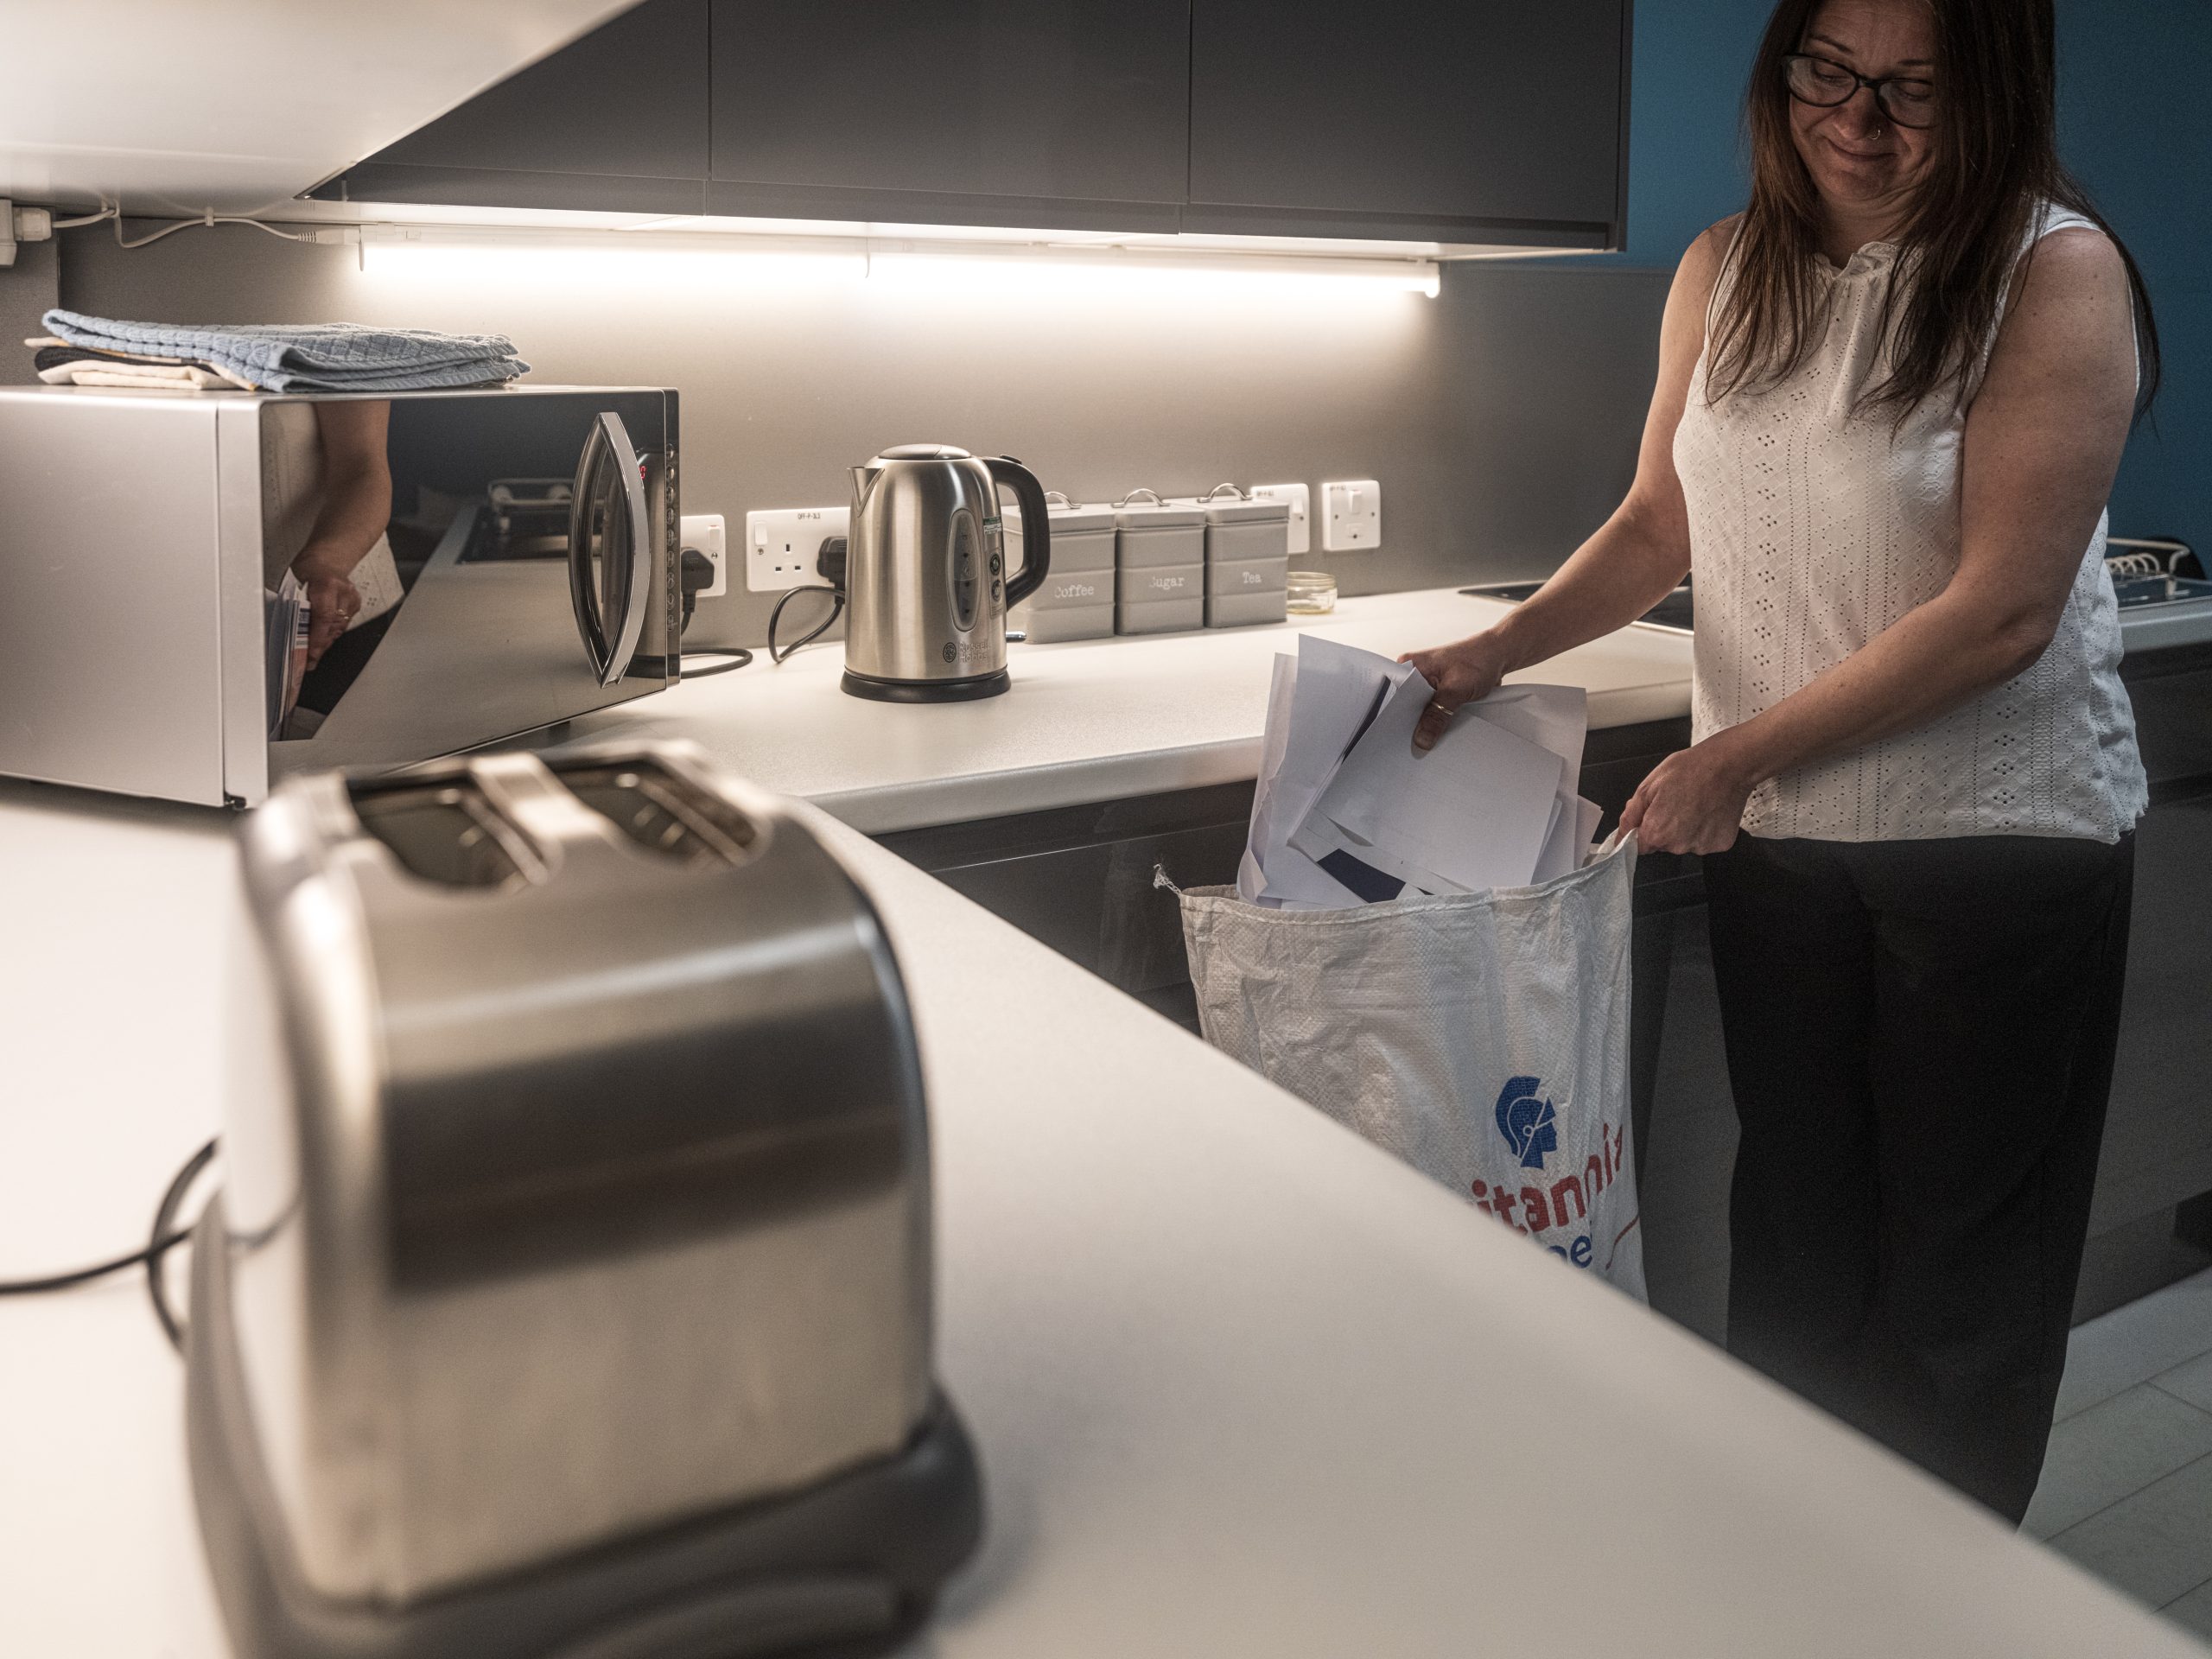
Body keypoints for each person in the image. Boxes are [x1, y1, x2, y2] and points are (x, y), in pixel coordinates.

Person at [1402, 0, 2158, 1523]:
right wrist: (1494, 651)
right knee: (1800, 1249)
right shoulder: (1724, 268)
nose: (1857, 123)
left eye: (1912, 93)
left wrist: (1737, 756)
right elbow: (1653, 527)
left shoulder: (2053, 274)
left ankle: (1943, 1608)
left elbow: (2005, 611)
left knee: (1958, 1289)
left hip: (1993, 850)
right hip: (1786, 853)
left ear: (1994, 97)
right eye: (1828, 72)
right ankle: (1800, 1575)